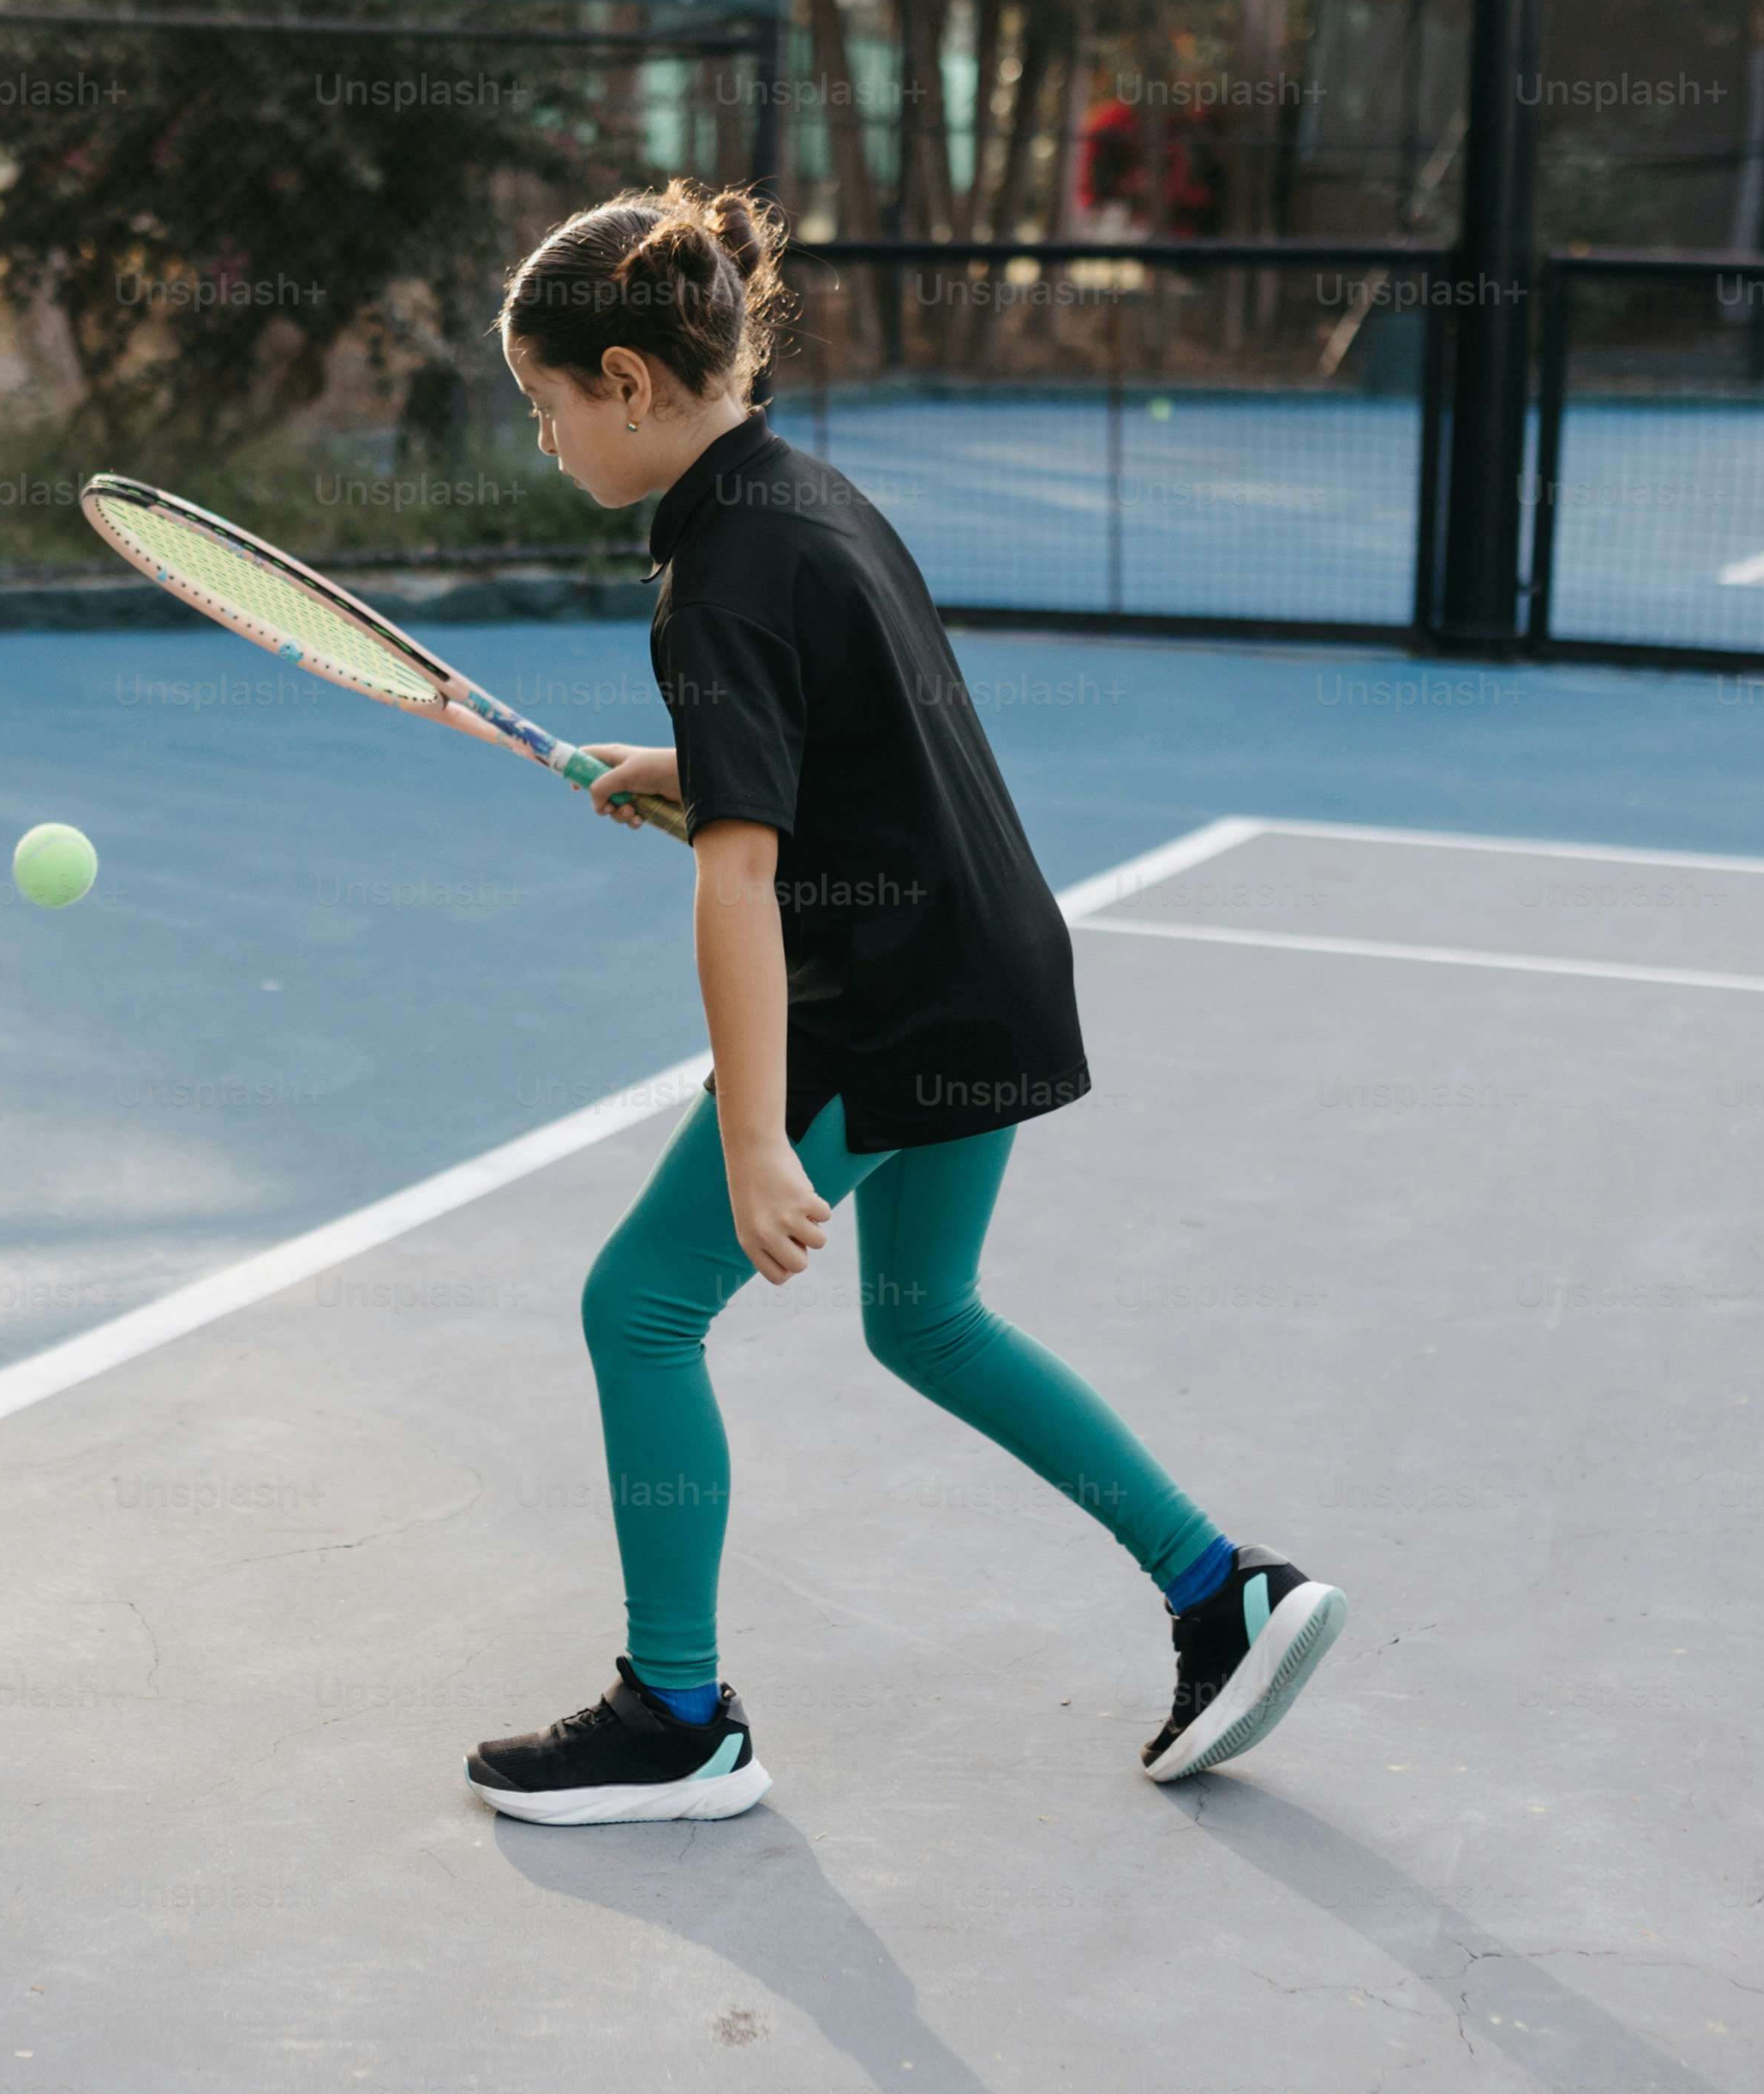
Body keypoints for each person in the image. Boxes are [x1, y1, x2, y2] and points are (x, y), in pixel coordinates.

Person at [460, 179, 1342, 1825]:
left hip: (882, 996)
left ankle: (675, 1713)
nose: (546, 441)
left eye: (547, 405)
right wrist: (697, 767)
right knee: (923, 1313)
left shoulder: (712, 572)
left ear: (630, 385)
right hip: (991, 958)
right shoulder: (805, 495)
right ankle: (1220, 1588)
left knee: (637, 1306)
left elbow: (738, 884)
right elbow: (843, 743)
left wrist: (748, 1135)